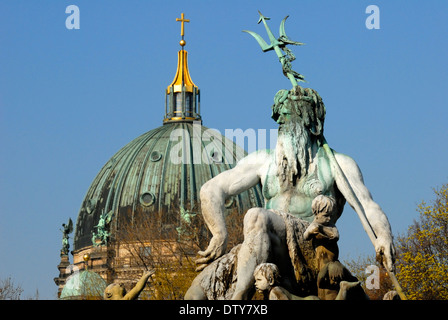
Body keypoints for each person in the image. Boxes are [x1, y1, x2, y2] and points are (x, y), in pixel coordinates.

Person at [194, 86, 395, 300]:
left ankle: (239, 299)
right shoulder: (264, 161)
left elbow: (368, 206)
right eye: (279, 122)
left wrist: (383, 236)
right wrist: (219, 233)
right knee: (196, 293)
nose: (281, 126)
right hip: (263, 245)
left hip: (310, 248)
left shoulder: (339, 165)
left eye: (287, 120)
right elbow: (211, 189)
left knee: (256, 216)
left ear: (310, 123)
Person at [254, 263, 361, 300]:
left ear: (271, 280)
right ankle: (343, 289)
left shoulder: (275, 292)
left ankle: (343, 289)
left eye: (259, 280)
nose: (255, 283)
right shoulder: (275, 291)